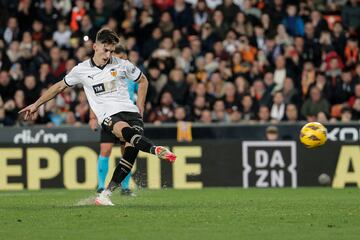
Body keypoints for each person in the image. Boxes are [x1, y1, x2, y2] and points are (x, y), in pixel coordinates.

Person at [19, 28, 177, 206]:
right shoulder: (81, 70)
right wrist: (36, 104)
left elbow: (143, 81)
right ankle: (155, 150)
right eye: (105, 50)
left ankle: (105, 195)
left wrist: (140, 106)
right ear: (95, 46)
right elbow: (58, 87)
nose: (108, 54)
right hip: (109, 115)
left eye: (111, 51)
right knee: (124, 135)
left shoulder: (122, 64)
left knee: (130, 153)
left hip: (131, 112)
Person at [88, 44, 137, 196]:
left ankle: (125, 186)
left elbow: (140, 92)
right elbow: (96, 97)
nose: (120, 61)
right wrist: (92, 117)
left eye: (123, 58)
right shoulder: (106, 74)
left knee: (127, 151)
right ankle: (101, 186)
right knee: (106, 149)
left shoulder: (132, 76)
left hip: (127, 117)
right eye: (118, 58)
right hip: (109, 117)